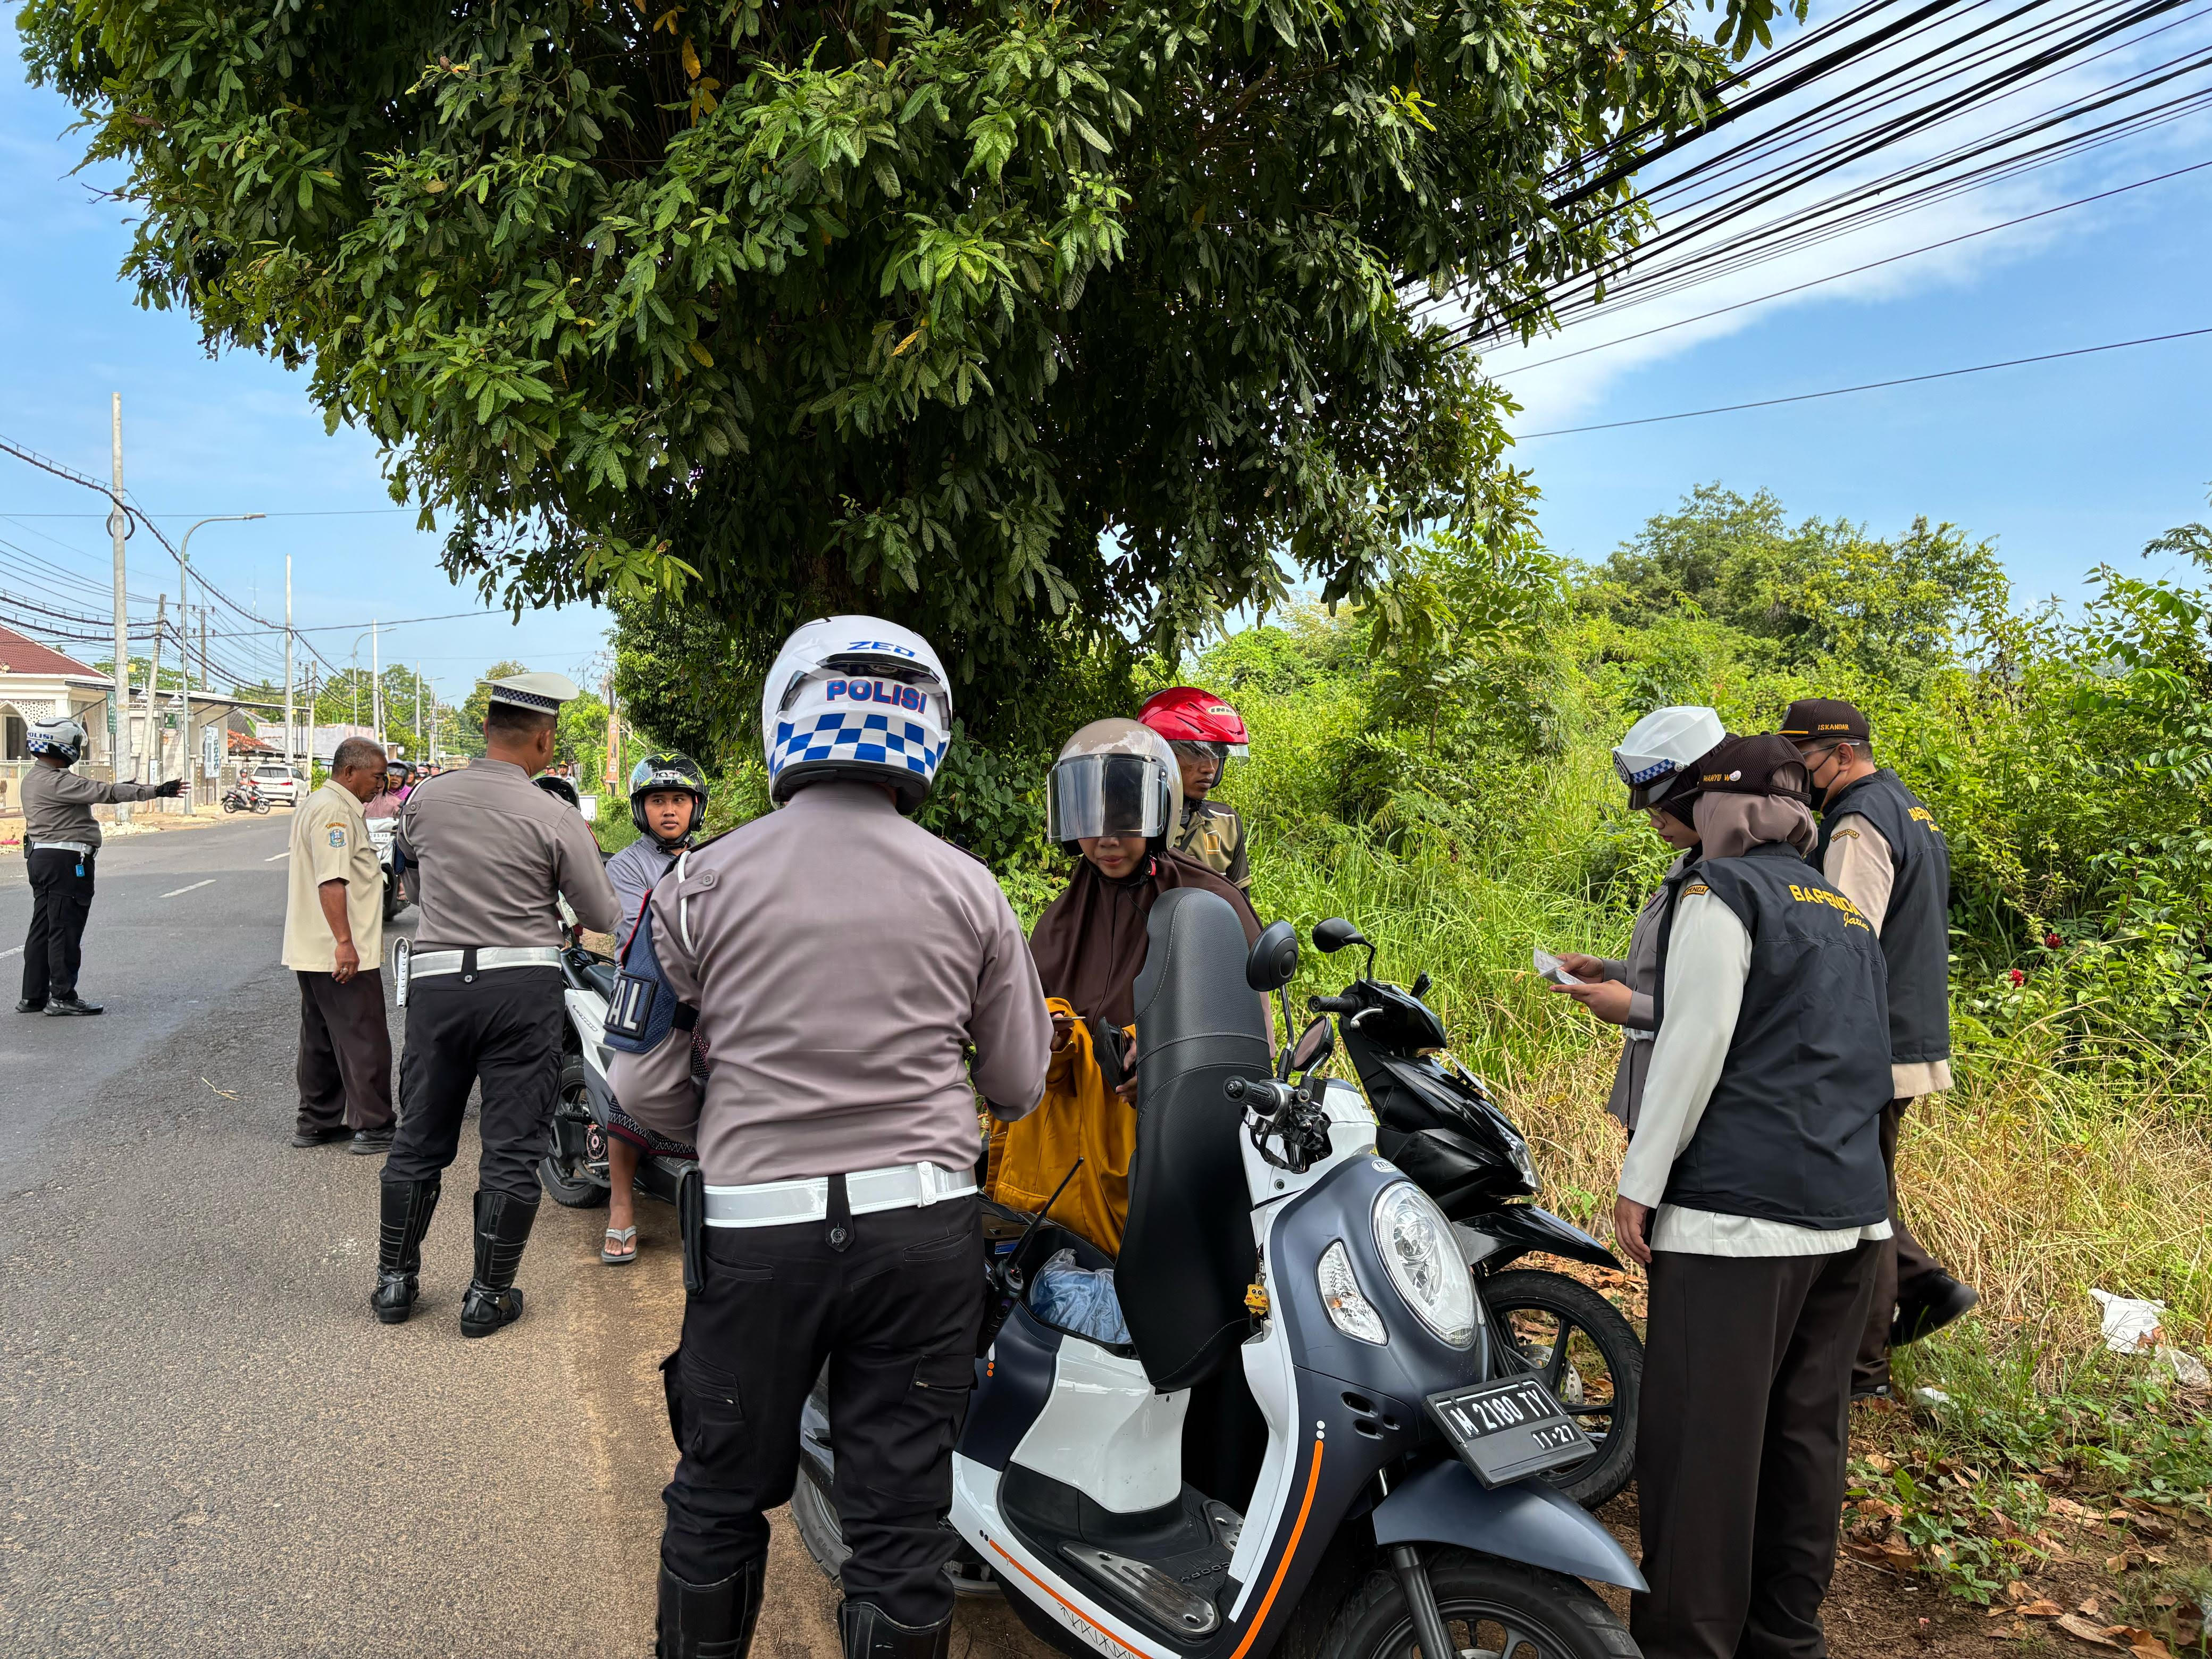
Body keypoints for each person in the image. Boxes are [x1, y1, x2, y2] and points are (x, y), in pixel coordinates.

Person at [608, 616, 1051, 1659]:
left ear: (787, 718)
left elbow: (640, 1082)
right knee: (900, 1524)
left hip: (756, 1233)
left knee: (718, 1494)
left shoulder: (695, 885)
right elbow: (1018, 1083)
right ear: (925, 735)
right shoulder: (972, 888)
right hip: (924, 1237)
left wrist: (732, 1135)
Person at [1614, 733, 1893, 1659]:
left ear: (1719, 808)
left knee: (1704, 1448)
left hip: (1737, 1220)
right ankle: (1786, 1636)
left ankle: (1690, 1642)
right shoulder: (1842, 910)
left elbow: (1692, 1047)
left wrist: (1640, 1183)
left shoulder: (1719, 893)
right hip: (1850, 1217)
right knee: (1804, 1436)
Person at [371, 671, 621, 1337]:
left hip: (438, 985)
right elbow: (601, 914)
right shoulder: (555, 816)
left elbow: (409, 869)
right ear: (545, 742)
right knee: (511, 1146)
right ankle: (487, 1298)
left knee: (419, 1135)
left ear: (484, 729)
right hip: (521, 989)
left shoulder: (425, 798)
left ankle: (394, 1284)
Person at [991, 718, 1262, 1253]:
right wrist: (1051, 1037)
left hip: (1167, 1152)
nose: (1107, 841)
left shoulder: (1209, 901)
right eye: (1091, 823)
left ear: (1159, 812)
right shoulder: (1063, 919)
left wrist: (1168, 1065)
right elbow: (1023, 1041)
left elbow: (1248, 1038)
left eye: (1124, 821)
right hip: (1064, 1166)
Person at [1781, 697, 1978, 1396]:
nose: (1796, 779)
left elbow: (1839, 939)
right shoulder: (1908, 808)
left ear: (1841, 754)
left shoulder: (1857, 822)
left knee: (1858, 1206)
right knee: (1869, 1191)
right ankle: (1924, 1286)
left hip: (1871, 1043)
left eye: (1803, 762)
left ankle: (1862, 1367)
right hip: (1904, 1032)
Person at [1548, 706, 1724, 1130]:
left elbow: (1723, 1013)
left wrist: (1635, 1009)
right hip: (1652, 1093)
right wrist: (1607, 971)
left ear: (1698, 798)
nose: (1655, 823)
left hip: (1691, 1107)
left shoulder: (1731, 880)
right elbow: (1672, 973)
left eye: (1662, 808)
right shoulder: (1686, 863)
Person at [598, 752, 710, 1266]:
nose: (669, 810)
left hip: (707, 991)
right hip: (646, 992)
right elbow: (638, 933)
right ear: (640, 809)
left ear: (695, 807)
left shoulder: (714, 857)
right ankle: (621, 1204)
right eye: (658, 800)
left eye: (679, 800)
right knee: (630, 1086)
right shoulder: (626, 865)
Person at [16, 716, 183, 1016]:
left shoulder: (33, 778)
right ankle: (62, 997)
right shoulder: (59, 781)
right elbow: (106, 792)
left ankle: (33, 996)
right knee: (65, 930)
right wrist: (156, 791)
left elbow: (98, 790)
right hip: (66, 862)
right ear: (60, 746)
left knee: (43, 928)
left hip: (41, 859)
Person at [283, 737, 397, 1153]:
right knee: (364, 1036)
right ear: (350, 772)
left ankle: (317, 1122)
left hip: (316, 948)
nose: (380, 787)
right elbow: (332, 881)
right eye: (377, 777)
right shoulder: (334, 811)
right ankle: (375, 1125)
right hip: (340, 951)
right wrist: (345, 943)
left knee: (321, 1038)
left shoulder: (323, 803)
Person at [1137, 685, 1252, 889]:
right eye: (1195, 753)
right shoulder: (1130, 827)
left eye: (1216, 755)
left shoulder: (1226, 824)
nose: (1209, 768)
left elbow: (1242, 902)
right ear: (1159, 755)